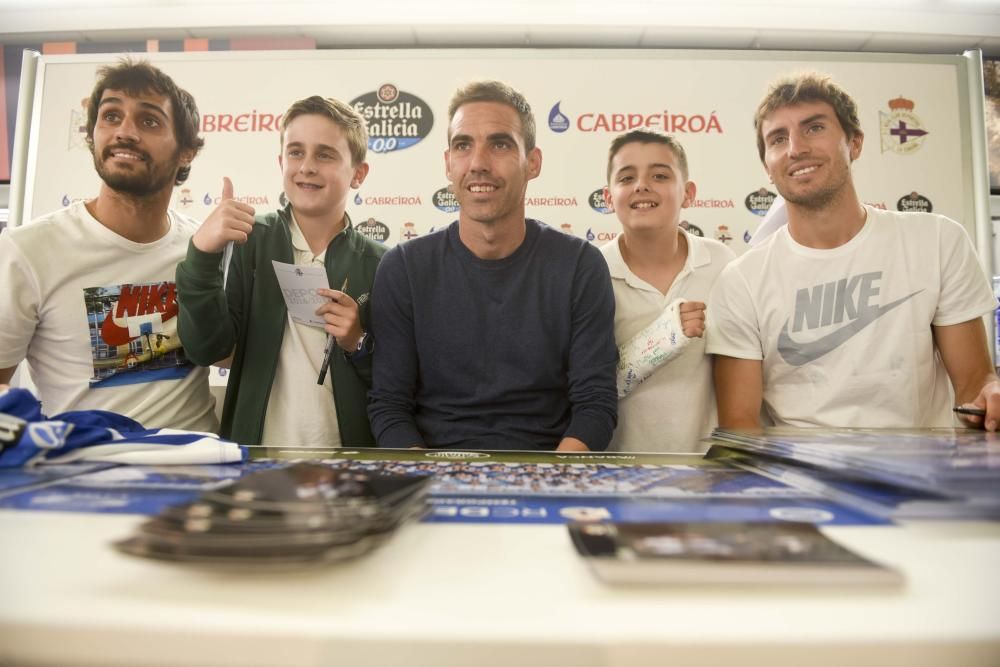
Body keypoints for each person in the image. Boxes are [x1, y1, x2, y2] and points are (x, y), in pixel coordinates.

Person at [706, 72, 1000, 430]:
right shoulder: (742, 281)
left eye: (814, 128)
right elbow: (740, 427)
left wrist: (990, 397)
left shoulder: (937, 240)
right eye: (778, 139)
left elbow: (973, 384)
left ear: (855, 143)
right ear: (767, 166)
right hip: (801, 482)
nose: (796, 148)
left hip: (919, 478)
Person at [368, 80, 617, 451]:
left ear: (532, 163)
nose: (479, 163)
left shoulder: (580, 265)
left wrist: (548, 483)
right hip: (433, 475)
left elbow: (594, 406)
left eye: (499, 144)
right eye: (463, 145)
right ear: (448, 163)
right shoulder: (403, 267)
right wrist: (426, 487)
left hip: (548, 473)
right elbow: (389, 406)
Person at [0, 59, 216, 431]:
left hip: (195, 473)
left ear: (186, 152)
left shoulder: (203, 249)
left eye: (149, 121)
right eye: (111, 116)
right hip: (82, 479)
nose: (124, 132)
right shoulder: (29, 250)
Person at [176, 96, 383, 447]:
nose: (307, 167)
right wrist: (202, 254)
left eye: (325, 154)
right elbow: (206, 348)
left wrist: (358, 342)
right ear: (281, 161)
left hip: (348, 466)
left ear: (358, 174)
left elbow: (393, 384)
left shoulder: (380, 262)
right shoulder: (249, 240)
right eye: (296, 152)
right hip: (257, 460)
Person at [600, 130, 735, 452]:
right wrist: (664, 337)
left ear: (688, 193)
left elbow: (744, 373)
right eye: (627, 177)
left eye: (659, 175)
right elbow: (584, 391)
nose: (642, 185)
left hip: (705, 473)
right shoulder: (591, 271)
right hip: (616, 473)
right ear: (608, 198)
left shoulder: (722, 263)